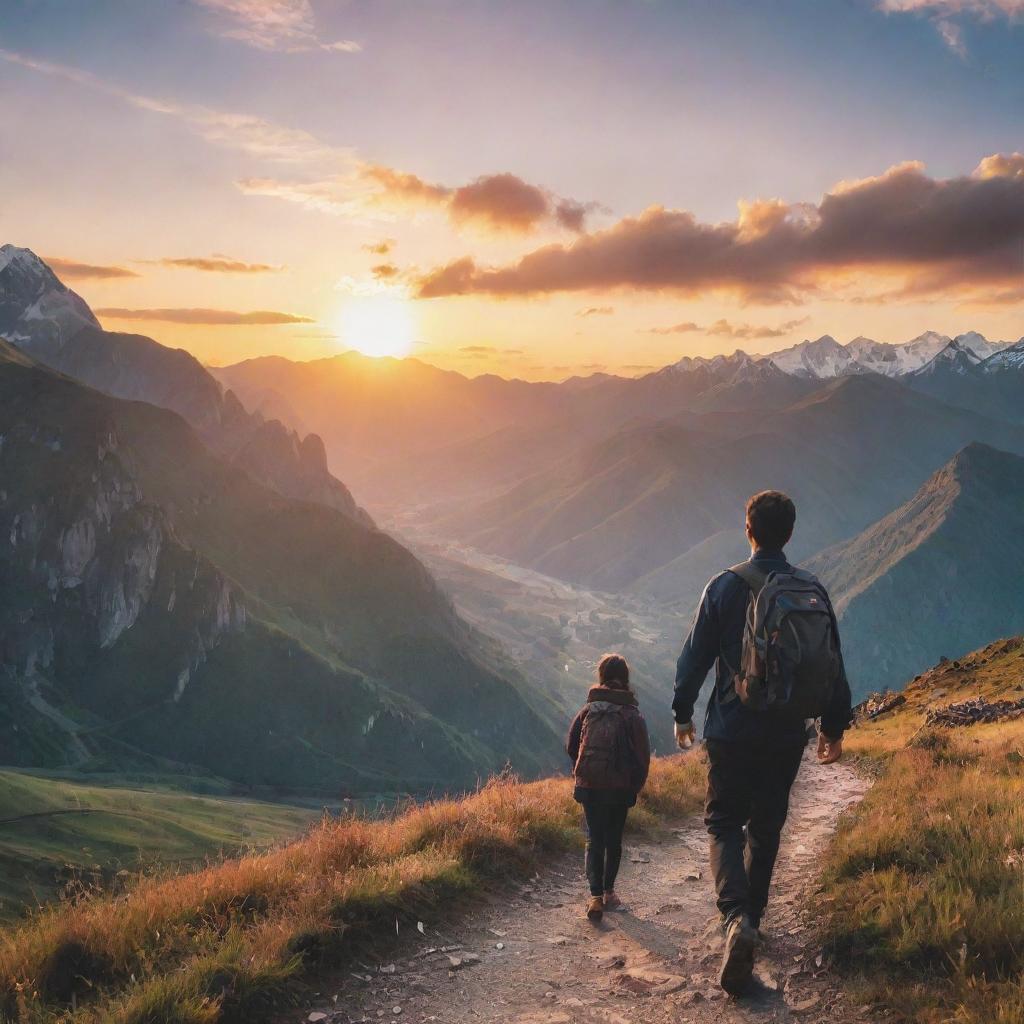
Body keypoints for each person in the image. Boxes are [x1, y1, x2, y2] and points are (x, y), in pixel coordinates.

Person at [673, 490, 852, 995]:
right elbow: (832, 663)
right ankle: (753, 916)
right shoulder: (811, 589)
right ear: (790, 534)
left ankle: (735, 920)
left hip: (730, 729)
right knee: (767, 825)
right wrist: (835, 727)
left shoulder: (724, 587)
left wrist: (682, 712)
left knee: (724, 820)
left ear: (747, 530)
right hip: (786, 733)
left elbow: (694, 658)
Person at [566, 653, 651, 922]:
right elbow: (642, 756)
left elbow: (571, 747)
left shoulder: (588, 711)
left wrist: (587, 773)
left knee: (594, 838)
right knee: (613, 839)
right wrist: (633, 786)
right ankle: (609, 892)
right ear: (625, 679)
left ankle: (594, 898)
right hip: (619, 788)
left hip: (589, 785)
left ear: (601, 677)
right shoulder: (631, 714)